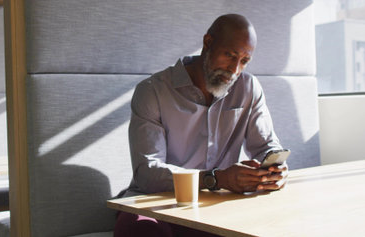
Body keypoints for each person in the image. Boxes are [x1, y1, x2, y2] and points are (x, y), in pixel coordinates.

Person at [114, 14, 288, 237]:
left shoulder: (248, 88)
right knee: (140, 230)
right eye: (229, 55)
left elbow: (266, 146)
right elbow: (147, 173)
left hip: (216, 206)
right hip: (158, 202)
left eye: (244, 61)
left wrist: (275, 168)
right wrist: (216, 178)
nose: (234, 70)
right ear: (207, 42)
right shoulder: (152, 91)